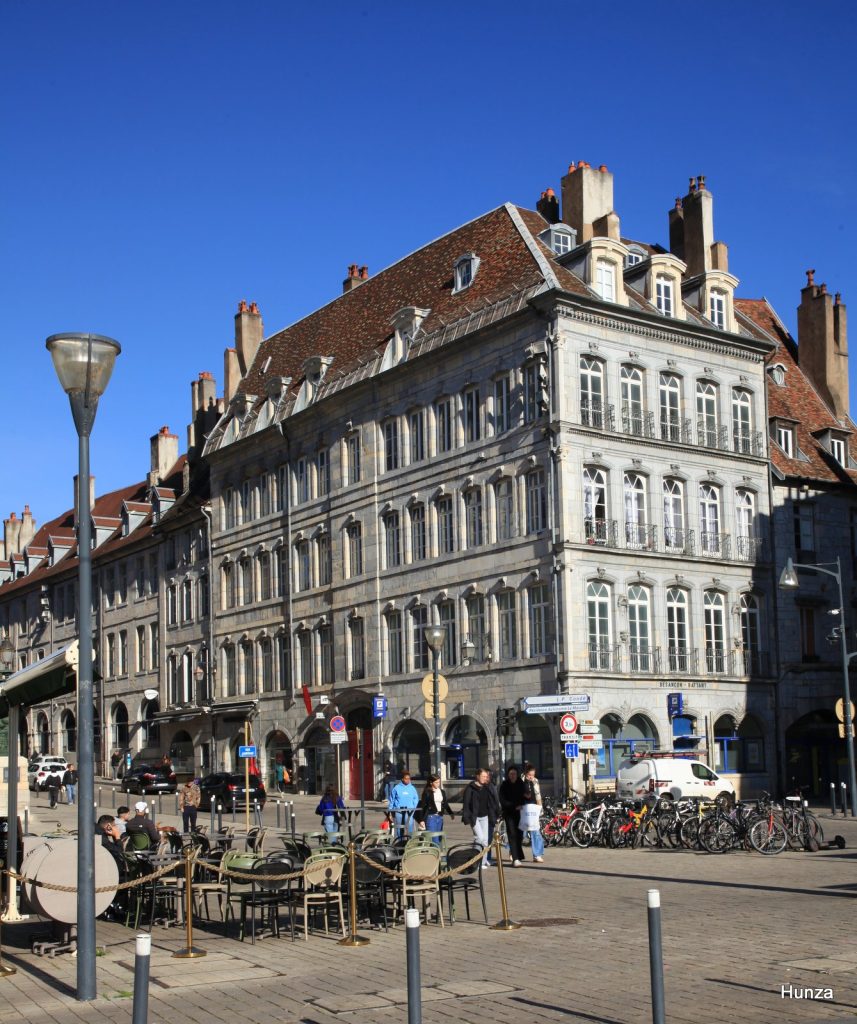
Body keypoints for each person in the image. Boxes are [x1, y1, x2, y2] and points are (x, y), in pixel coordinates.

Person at [461, 768, 501, 869]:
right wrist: (467, 817)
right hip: (474, 817)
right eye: (483, 776)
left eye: (486, 777)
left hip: (485, 816)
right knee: (479, 838)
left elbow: (493, 802)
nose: (485, 778)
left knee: (485, 840)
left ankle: (483, 862)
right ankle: (475, 862)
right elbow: (466, 804)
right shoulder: (470, 788)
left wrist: (497, 813)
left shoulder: (487, 787)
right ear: (477, 776)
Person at [499, 765, 525, 866]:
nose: (513, 776)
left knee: (520, 835)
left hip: (521, 813)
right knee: (512, 834)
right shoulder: (504, 785)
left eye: (514, 774)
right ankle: (515, 858)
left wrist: (526, 798)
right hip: (509, 813)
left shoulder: (521, 783)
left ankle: (517, 855)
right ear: (508, 775)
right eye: (511, 774)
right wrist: (514, 806)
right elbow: (502, 800)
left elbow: (525, 796)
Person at [414, 774, 454, 840]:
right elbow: (423, 806)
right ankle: (435, 850)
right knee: (434, 839)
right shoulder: (427, 792)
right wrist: (421, 820)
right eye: (436, 782)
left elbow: (445, 803)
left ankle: (436, 849)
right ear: (431, 782)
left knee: (439, 838)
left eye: (439, 782)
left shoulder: (442, 792)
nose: (438, 784)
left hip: (440, 817)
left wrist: (451, 813)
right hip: (431, 817)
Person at [521, 763, 545, 863]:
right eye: (529, 775)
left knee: (536, 833)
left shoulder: (535, 781)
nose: (531, 777)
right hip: (523, 809)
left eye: (533, 774)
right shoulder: (520, 781)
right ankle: (512, 851)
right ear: (525, 773)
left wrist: (540, 809)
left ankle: (537, 855)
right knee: (521, 833)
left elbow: (538, 795)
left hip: (534, 809)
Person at [387, 770, 419, 835]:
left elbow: (416, 799)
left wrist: (413, 808)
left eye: (409, 778)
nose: (408, 780)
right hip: (398, 811)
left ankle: (409, 842)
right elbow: (392, 800)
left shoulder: (412, 788)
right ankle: (399, 841)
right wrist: (390, 811)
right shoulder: (396, 788)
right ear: (402, 779)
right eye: (406, 778)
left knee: (410, 828)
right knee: (399, 828)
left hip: (409, 811)